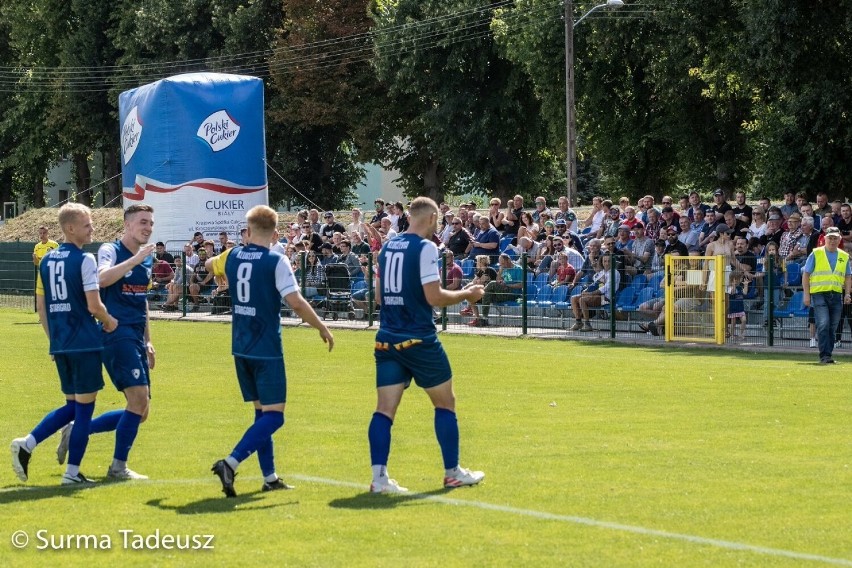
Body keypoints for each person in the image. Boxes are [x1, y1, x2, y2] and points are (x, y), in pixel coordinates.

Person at [208, 205, 334, 497]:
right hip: (266, 347)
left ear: (248, 231)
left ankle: (270, 477)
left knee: (261, 414)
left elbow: (209, 264)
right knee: (275, 416)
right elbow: (296, 302)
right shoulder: (276, 261)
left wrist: (219, 274)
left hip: (240, 346)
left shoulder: (233, 255)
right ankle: (230, 462)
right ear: (276, 234)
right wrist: (322, 327)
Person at [368, 197, 485, 493]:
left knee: (384, 410)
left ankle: (379, 479)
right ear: (433, 218)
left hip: (386, 338)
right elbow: (434, 297)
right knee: (446, 403)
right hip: (419, 338)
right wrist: (467, 295)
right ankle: (452, 472)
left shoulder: (387, 247)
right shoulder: (426, 248)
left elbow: (380, 298)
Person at [12, 204, 118, 485]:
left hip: (61, 344)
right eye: (87, 224)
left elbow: (41, 307)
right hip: (84, 343)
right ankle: (71, 473)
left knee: (73, 406)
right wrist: (109, 320)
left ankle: (28, 443)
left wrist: (53, 342)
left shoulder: (46, 261)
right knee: (84, 410)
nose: (92, 229)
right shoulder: (85, 260)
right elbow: (94, 306)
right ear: (70, 228)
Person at [60, 204, 157, 480]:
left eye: (150, 223)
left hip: (136, 336)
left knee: (142, 411)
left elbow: (142, 301)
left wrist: (149, 340)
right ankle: (118, 467)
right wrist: (134, 260)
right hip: (115, 334)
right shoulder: (110, 250)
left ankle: (80, 428)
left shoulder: (145, 257)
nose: (148, 228)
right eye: (142, 222)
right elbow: (101, 279)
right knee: (137, 401)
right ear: (126, 225)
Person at [802, 227, 852, 365]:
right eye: (830, 238)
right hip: (819, 294)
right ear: (825, 238)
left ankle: (827, 355)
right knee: (823, 323)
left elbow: (848, 276)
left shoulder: (844, 256)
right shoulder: (816, 253)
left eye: (835, 238)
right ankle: (824, 355)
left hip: (836, 295)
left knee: (832, 326)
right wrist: (806, 295)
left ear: (839, 239)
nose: (832, 240)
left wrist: (847, 293)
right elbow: (806, 274)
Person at [467, 253, 523, 327]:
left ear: (508, 260)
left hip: (513, 293)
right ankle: (484, 319)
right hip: (502, 292)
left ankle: (476, 298)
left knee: (492, 284)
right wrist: (500, 272)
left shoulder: (518, 269)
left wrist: (507, 285)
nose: (501, 265)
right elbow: (498, 280)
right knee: (487, 294)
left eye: (503, 263)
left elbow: (521, 285)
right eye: (500, 264)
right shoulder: (503, 269)